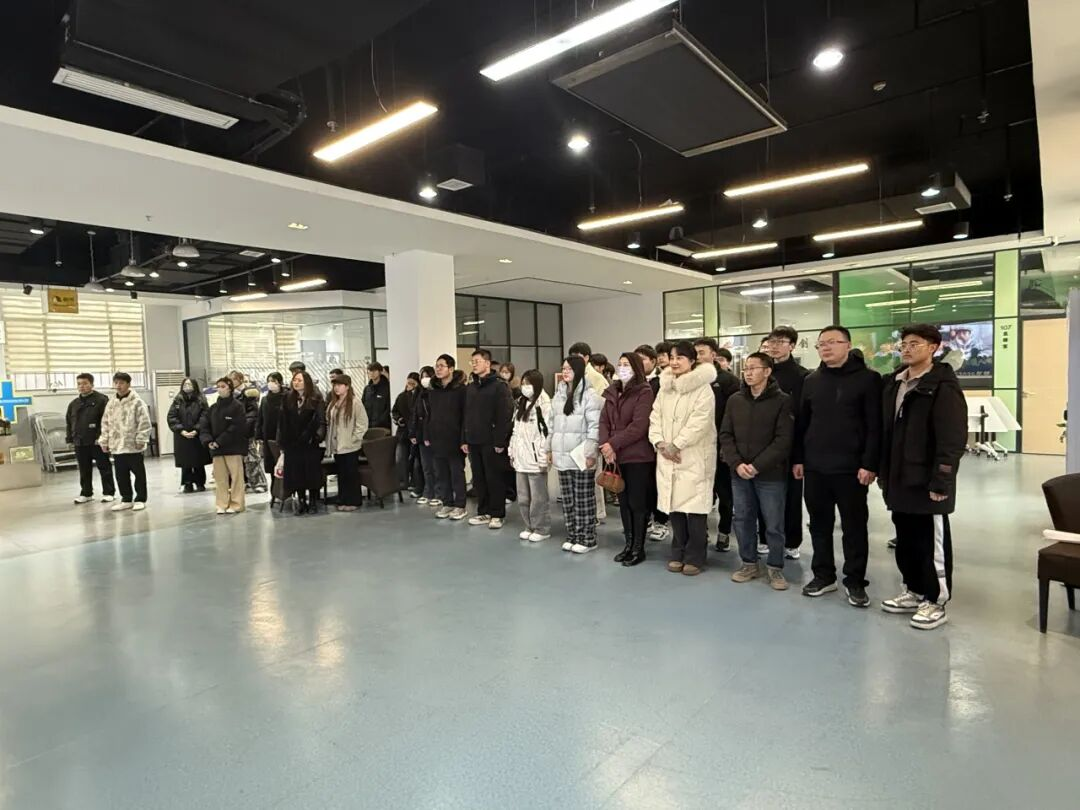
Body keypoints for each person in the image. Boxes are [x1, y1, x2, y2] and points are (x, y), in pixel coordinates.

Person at [879, 324, 967, 630]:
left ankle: (936, 600)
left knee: (931, 542)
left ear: (933, 347)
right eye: (904, 344)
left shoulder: (942, 385)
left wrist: (942, 479)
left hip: (928, 480)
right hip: (898, 476)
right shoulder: (895, 383)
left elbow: (952, 438)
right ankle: (914, 590)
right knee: (905, 539)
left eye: (914, 344)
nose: (906, 349)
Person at [794, 326, 883, 607]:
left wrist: (869, 463)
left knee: (854, 528)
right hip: (816, 467)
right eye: (822, 344)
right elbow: (802, 423)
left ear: (848, 345)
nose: (826, 347)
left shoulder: (869, 379)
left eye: (833, 342)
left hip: (852, 469)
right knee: (819, 525)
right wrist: (799, 458)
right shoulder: (812, 380)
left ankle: (855, 581)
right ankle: (824, 576)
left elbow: (875, 426)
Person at [720, 352, 795, 590]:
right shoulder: (735, 400)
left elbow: (783, 440)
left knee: (773, 523)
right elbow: (725, 434)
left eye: (754, 368)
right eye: (746, 368)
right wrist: (737, 463)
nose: (748, 372)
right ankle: (749, 563)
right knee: (743, 519)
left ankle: (775, 567)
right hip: (739, 472)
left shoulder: (782, 401)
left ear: (767, 371)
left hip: (770, 474)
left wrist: (756, 466)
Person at [650, 341, 717, 576]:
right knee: (674, 507)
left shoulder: (703, 389)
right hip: (668, 455)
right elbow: (655, 416)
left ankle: (695, 556)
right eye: (672, 357)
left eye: (680, 358)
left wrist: (676, 444)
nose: (675, 362)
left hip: (693, 455)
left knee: (695, 510)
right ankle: (677, 551)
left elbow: (700, 422)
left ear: (692, 361)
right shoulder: (665, 387)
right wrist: (659, 442)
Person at [600, 353, 656, 567]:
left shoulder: (644, 391)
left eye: (627, 365)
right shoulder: (612, 391)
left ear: (636, 368)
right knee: (623, 503)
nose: (622, 368)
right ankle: (628, 544)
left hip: (637, 456)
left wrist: (613, 444)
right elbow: (603, 421)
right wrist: (605, 445)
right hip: (615, 456)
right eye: (620, 364)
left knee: (637, 503)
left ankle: (638, 548)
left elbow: (639, 425)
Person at [763, 326, 810, 559]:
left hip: (791, 447)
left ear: (792, 346)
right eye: (772, 341)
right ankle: (764, 537)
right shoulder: (762, 371)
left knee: (791, 496)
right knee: (763, 494)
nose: (774, 346)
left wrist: (800, 456)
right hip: (762, 444)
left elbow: (803, 417)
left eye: (780, 342)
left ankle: (792, 541)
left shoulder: (802, 376)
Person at [551, 356, 603, 553]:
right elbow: (551, 425)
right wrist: (548, 449)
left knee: (583, 498)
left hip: (580, 455)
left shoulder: (590, 396)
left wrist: (590, 452)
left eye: (569, 369)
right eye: (563, 368)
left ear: (579, 370)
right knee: (568, 499)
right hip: (562, 454)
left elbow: (595, 427)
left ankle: (587, 538)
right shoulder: (559, 395)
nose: (565, 372)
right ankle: (572, 534)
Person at [694, 338, 741, 553]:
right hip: (697, 446)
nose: (698, 357)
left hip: (721, 447)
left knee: (725, 493)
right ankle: (700, 532)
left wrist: (727, 446)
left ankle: (724, 532)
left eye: (702, 352)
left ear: (714, 355)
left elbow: (734, 416)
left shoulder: (728, 381)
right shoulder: (691, 379)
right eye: (695, 353)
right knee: (700, 492)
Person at [464, 349, 515, 530]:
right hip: (474, 439)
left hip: (492, 441)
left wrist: (500, 441)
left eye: (477, 361)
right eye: (472, 362)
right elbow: (466, 415)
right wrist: (464, 438)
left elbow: (505, 416)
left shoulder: (499, 386)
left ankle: (497, 514)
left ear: (487, 363)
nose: (474, 364)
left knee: (494, 478)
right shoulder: (471, 387)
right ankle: (483, 511)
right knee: (479, 479)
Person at [508, 369, 553, 542]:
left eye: (528, 383)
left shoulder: (544, 405)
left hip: (536, 460)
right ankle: (529, 526)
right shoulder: (521, 402)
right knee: (523, 497)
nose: (525, 387)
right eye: (523, 383)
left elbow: (548, 433)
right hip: (521, 459)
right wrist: (512, 451)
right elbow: (515, 431)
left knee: (538, 498)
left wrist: (543, 455)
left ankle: (541, 528)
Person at [98, 372, 151, 512]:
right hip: (117, 445)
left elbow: (144, 422)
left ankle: (140, 499)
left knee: (139, 474)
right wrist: (104, 440)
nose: (118, 386)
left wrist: (141, 438)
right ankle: (126, 499)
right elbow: (105, 423)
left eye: (121, 383)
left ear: (128, 384)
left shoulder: (137, 402)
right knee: (121, 475)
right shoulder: (111, 403)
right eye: (116, 383)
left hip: (133, 445)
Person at [568, 341, 609, 524]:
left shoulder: (596, 378)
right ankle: (580, 512)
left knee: (592, 476)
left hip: (590, 431)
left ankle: (596, 513)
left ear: (586, 358)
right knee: (576, 478)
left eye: (578, 357)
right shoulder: (571, 376)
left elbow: (601, 406)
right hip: (573, 432)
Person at [277, 370, 326, 515]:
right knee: (296, 474)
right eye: (294, 380)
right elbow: (282, 421)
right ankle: (301, 501)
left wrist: (317, 437)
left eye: (299, 380)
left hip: (309, 442)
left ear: (306, 382)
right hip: (292, 442)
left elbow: (321, 420)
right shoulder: (287, 398)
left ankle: (313, 502)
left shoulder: (316, 398)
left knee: (311, 473)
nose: (296, 383)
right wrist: (282, 441)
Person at [428, 354, 469, 520]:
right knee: (441, 474)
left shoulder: (461, 390)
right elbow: (430, 414)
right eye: (437, 366)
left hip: (455, 439)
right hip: (437, 438)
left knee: (456, 473)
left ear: (451, 369)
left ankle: (460, 505)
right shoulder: (433, 391)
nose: (438, 369)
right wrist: (428, 434)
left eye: (442, 366)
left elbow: (465, 416)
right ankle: (447, 503)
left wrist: (464, 439)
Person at [200, 377, 248, 514]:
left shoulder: (237, 407)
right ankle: (222, 504)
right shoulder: (213, 408)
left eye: (223, 386)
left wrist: (219, 441)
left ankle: (237, 504)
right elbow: (205, 425)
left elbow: (236, 427)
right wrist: (208, 441)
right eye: (218, 386)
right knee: (220, 478)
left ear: (230, 388)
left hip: (233, 448)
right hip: (217, 450)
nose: (220, 389)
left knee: (236, 478)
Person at [66, 373, 115, 504]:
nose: (81, 386)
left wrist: (102, 437)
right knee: (84, 469)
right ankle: (86, 493)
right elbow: (69, 423)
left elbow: (107, 421)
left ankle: (109, 492)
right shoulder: (74, 404)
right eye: (79, 384)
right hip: (80, 441)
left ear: (92, 384)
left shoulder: (102, 400)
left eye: (85, 383)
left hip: (97, 441)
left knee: (104, 467)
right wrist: (70, 439)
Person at [326, 374, 368, 511]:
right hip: (337, 445)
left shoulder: (355, 403)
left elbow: (362, 423)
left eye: (339, 385)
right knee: (342, 474)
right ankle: (343, 499)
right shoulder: (334, 403)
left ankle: (353, 501)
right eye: (335, 385)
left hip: (350, 445)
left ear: (347, 386)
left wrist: (354, 438)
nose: (336, 388)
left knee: (351, 474)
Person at [167, 377, 210, 493]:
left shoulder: (201, 400)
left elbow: (205, 416)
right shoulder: (178, 400)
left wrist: (197, 429)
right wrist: (181, 430)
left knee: (198, 461)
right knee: (185, 462)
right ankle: (187, 484)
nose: (187, 386)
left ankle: (200, 483)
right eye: (185, 384)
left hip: (197, 436)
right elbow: (172, 417)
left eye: (190, 384)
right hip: (182, 436)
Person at [228, 370, 266, 494]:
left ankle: (259, 483)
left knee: (252, 459)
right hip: (233, 433)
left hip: (247, 432)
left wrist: (243, 426)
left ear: (239, 379)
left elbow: (253, 413)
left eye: (233, 379)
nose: (231, 382)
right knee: (236, 460)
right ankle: (243, 482)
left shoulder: (249, 394)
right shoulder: (230, 395)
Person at [410, 366, 438, 504]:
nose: (424, 379)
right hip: (421, 435)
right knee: (426, 466)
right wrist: (413, 433)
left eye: (427, 376)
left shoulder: (436, 393)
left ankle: (438, 493)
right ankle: (428, 492)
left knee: (436, 466)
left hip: (434, 435)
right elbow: (415, 414)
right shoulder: (419, 394)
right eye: (422, 376)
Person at [392, 372, 420, 491]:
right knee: (400, 458)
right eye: (408, 383)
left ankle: (415, 482)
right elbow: (394, 411)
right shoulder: (402, 396)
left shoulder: (420, 397)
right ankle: (403, 482)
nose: (409, 385)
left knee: (415, 460)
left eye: (413, 383)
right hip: (403, 433)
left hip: (416, 433)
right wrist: (398, 419)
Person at [255, 372, 286, 476]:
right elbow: (260, 418)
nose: (271, 383)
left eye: (273, 381)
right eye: (269, 381)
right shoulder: (265, 399)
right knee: (271, 464)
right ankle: (274, 485)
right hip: (268, 436)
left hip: (282, 435)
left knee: (283, 465)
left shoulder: (286, 398)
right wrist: (258, 435)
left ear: (280, 382)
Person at [362, 362, 392, 430]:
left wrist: (382, 420)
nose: (372, 373)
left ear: (380, 372)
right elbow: (363, 405)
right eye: (370, 371)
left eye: (374, 371)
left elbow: (389, 407)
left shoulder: (387, 387)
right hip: (368, 425)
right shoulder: (367, 389)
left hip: (383, 426)